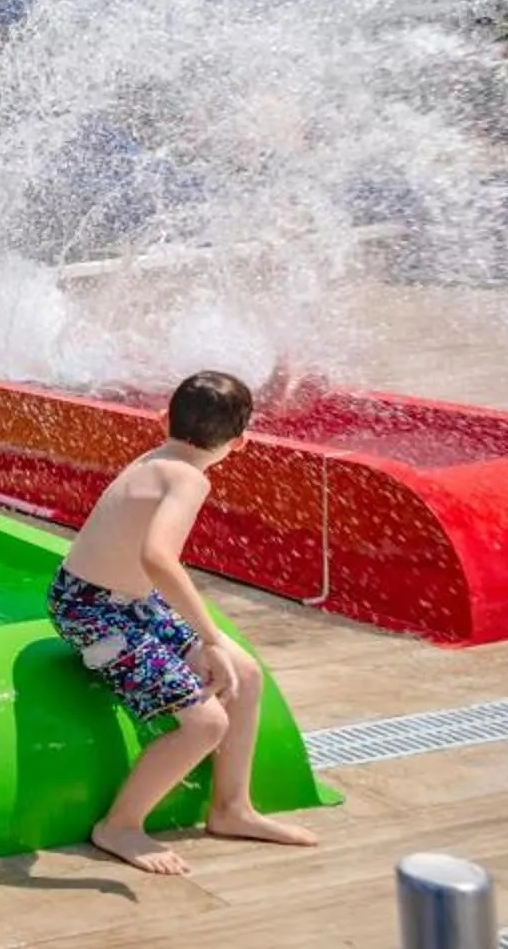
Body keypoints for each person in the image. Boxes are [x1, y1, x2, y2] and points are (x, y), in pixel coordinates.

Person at [48, 369, 319, 875]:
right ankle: (120, 824)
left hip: (120, 600)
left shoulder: (159, 459)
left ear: (162, 419)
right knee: (206, 723)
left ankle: (231, 808)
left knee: (248, 674)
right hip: (94, 612)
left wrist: (212, 644)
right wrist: (210, 639)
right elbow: (158, 556)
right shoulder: (189, 477)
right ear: (241, 442)